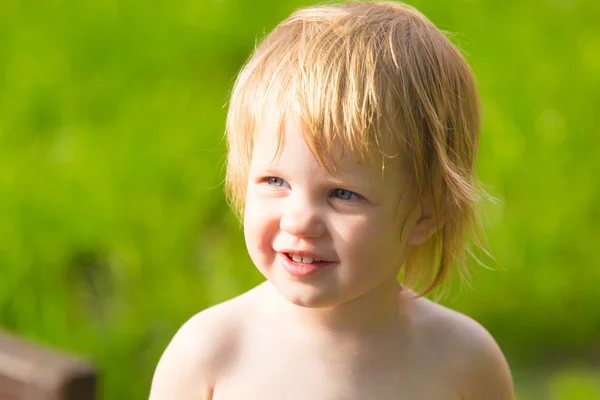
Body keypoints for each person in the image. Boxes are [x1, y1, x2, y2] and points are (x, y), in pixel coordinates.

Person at [149, 2, 514, 399]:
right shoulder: (211, 355)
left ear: (426, 211)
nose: (300, 220)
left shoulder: (462, 362)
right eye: (275, 180)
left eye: (342, 194)